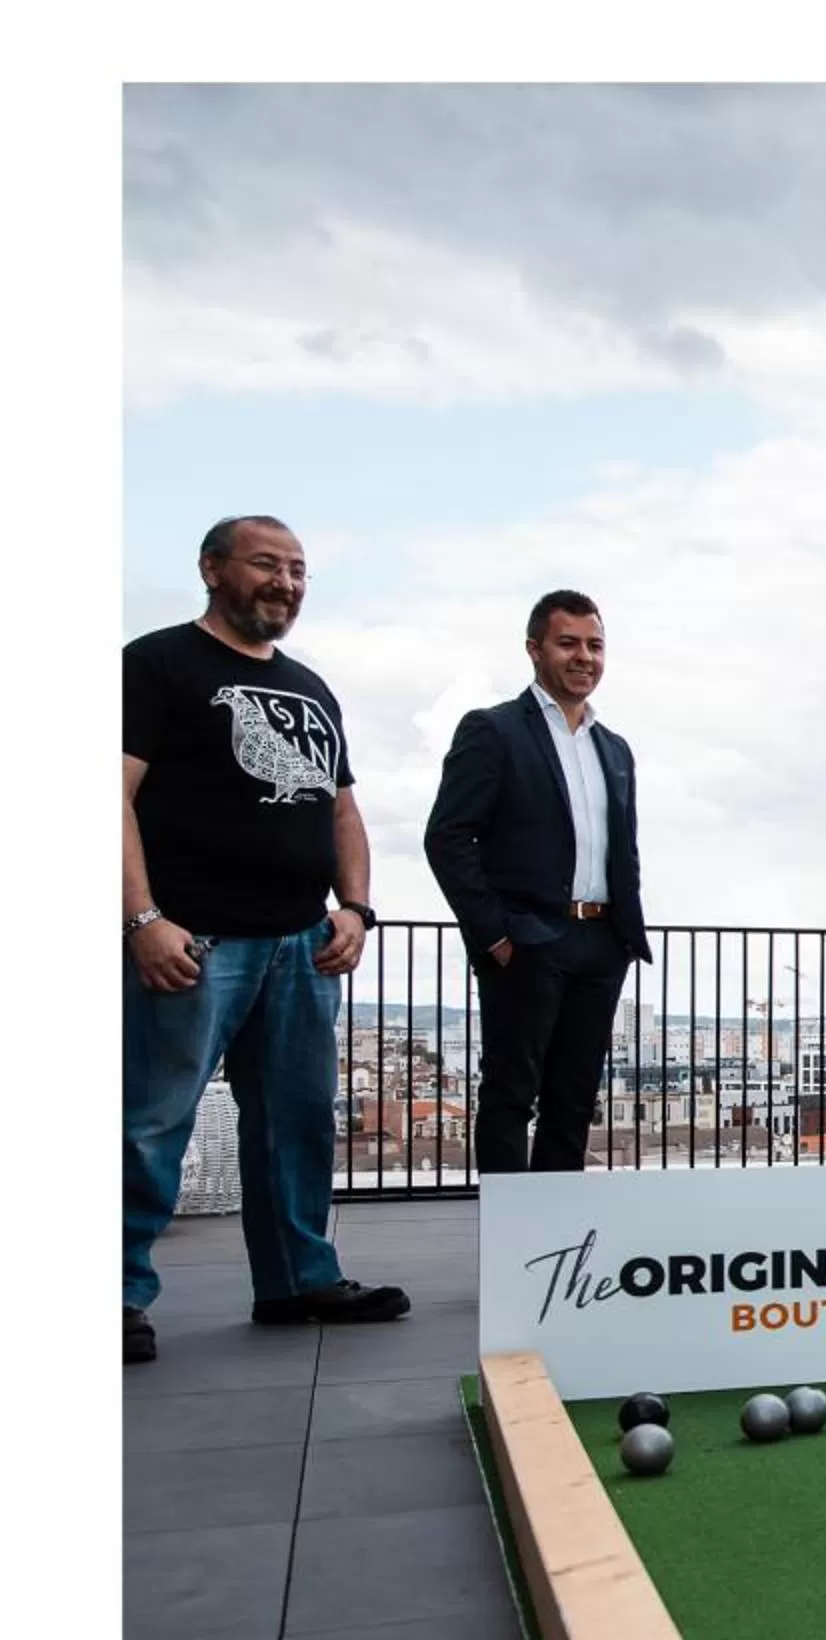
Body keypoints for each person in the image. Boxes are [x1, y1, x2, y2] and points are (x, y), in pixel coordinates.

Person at [124, 515, 408, 1364]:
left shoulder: (312, 687)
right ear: (212, 569)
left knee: (296, 1124)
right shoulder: (155, 664)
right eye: (266, 565)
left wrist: (355, 907)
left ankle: (296, 1281)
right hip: (194, 941)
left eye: (298, 570)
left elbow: (342, 808)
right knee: (151, 1123)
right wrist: (142, 920)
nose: (285, 582)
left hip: (300, 943)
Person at [422, 590, 652, 1175]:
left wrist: (626, 936)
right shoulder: (494, 730)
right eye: (568, 643)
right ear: (534, 649)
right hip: (526, 942)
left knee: (573, 1100)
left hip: (601, 944)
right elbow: (447, 837)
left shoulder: (614, 748)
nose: (584, 657)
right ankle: (511, 1247)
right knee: (510, 1095)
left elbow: (622, 849)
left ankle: (558, 1240)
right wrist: (494, 934)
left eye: (595, 645)